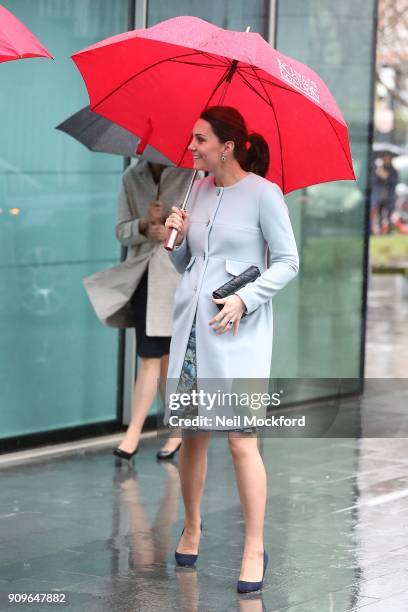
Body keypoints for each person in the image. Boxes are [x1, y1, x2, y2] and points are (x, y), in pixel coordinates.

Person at [163, 106, 299, 592]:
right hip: (193, 331)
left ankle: (254, 547)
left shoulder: (265, 195)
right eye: (192, 138)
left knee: (242, 441)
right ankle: (193, 526)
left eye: (200, 139)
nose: (192, 147)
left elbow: (287, 262)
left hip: (238, 334)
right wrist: (174, 238)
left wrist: (245, 297)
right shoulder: (195, 190)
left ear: (228, 145)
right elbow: (192, 264)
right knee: (194, 435)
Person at [113, 160, 199, 462]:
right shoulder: (131, 176)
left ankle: (137, 434)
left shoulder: (191, 175)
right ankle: (168, 430)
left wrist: (173, 232)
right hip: (144, 278)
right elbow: (121, 231)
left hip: (176, 282)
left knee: (160, 359)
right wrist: (143, 227)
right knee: (155, 358)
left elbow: (200, 227)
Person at [370, 152, 399, 234]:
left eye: (388, 158)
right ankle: (379, 231)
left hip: (390, 195)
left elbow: (395, 182)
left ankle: (389, 230)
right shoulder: (379, 169)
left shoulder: (393, 171)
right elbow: (375, 182)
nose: (386, 160)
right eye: (385, 158)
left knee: (389, 213)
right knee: (379, 214)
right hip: (380, 196)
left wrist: (387, 177)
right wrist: (379, 175)